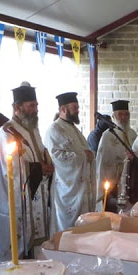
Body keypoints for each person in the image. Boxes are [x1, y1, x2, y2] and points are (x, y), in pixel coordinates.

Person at [0, 85, 54, 262]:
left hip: (37, 193)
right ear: (17, 107)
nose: (35, 110)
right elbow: (12, 168)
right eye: (31, 106)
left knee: (39, 240)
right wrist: (40, 168)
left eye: (36, 105)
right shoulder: (8, 131)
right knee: (20, 242)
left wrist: (48, 162)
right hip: (17, 196)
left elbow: (41, 151)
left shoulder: (32, 128)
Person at [44, 92, 96, 232]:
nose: (77, 110)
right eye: (74, 107)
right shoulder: (54, 129)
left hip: (82, 188)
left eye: (77, 107)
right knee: (68, 229)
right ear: (63, 109)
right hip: (67, 190)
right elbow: (56, 157)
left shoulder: (73, 129)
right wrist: (83, 156)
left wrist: (89, 155)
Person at [95, 100, 137, 211]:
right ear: (113, 116)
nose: (124, 117)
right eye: (120, 114)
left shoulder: (133, 134)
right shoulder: (108, 135)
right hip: (113, 186)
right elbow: (102, 163)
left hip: (130, 183)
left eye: (126, 114)